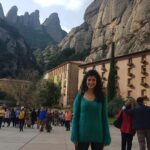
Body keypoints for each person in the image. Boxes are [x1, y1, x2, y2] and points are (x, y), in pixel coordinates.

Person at [70, 69, 111, 150]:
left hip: (98, 135)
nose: (91, 82)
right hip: (82, 136)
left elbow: (104, 118)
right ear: (85, 80)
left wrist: (106, 136)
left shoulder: (101, 97)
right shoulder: (80, 96)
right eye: (89, 80)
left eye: (93, 80)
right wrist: (74, 135)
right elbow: (75, 117)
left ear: (97, 81)